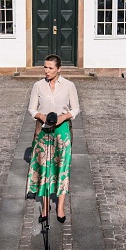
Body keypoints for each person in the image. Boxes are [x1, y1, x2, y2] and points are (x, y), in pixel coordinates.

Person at [26, 54, 80, 224]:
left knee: (62, 167)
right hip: (43, 132)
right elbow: (31, 109)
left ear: (59, 69)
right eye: (45, 67)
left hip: (62, 131)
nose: (46, 71)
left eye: (50, 68)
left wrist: (63, 118)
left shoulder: (69, 86)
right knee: (44, 168)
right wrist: (41, 116)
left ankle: (61, 207)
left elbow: (76, 109)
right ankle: (45, 206)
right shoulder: (38, 86)